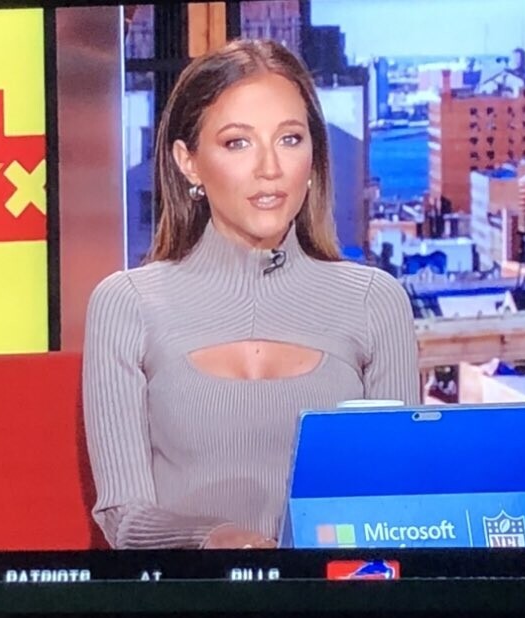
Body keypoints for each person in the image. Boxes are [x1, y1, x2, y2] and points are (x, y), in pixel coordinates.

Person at [83, 38, 420, 551]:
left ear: (313, 156)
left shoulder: (376, 301)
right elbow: (123, 517)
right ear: (189, 162)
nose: (270, 168)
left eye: (290, 139)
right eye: (238, 142)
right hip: (188, 588)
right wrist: (215, 540)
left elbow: (400, 504)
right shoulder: (127, 304)